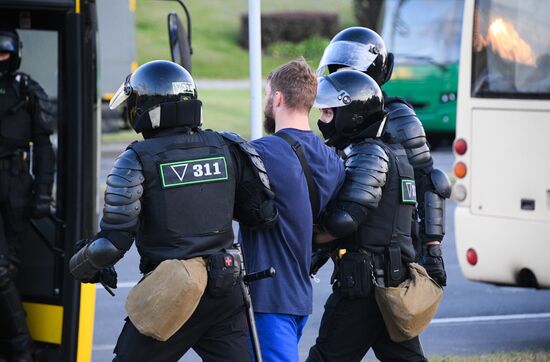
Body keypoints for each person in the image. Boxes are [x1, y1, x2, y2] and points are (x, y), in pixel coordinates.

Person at [69, 60, 278, 362]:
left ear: (146, 108)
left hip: (173, 289)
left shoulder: (136, 159)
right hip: (225, 286)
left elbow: (112, 243)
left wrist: (80, 263)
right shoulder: (227, 146)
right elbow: (262, 214)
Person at [307, 70, 431, 362]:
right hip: (389, 286)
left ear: (351, 114)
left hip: (364, 289)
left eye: (328, 112)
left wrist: (301, 234)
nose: (322, 119)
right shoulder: (395, 152)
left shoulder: (368, 154)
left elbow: (344, 220)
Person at [314, 26, 450, 288]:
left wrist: (432, 248)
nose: (344, 71)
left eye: (351, 65)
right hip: (356, 234)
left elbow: (431, 180)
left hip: (395, 232)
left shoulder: (397, 117)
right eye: (339, 66)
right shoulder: (342, 116)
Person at [238, 58, 345, 362]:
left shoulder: (259, 153)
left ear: (278, 98)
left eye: (267, 94)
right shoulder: (333, 161)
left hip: (267, 297)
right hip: (299, 296)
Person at [0, 28, 55, 362]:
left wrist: (43, 193)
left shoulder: (27, 90)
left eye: (4, 53)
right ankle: (22, 349)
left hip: (17, 185)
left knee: (10, 270)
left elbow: (44, 148)